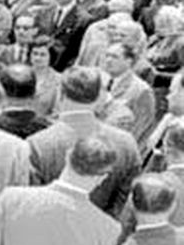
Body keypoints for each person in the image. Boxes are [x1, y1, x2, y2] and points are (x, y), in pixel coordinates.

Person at [28, 66, 141, 219]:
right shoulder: (126, 142)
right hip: (103, 234)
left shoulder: (38, 144)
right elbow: (125, 200)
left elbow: (33, 201)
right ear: (99, 97)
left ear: (60, 94)